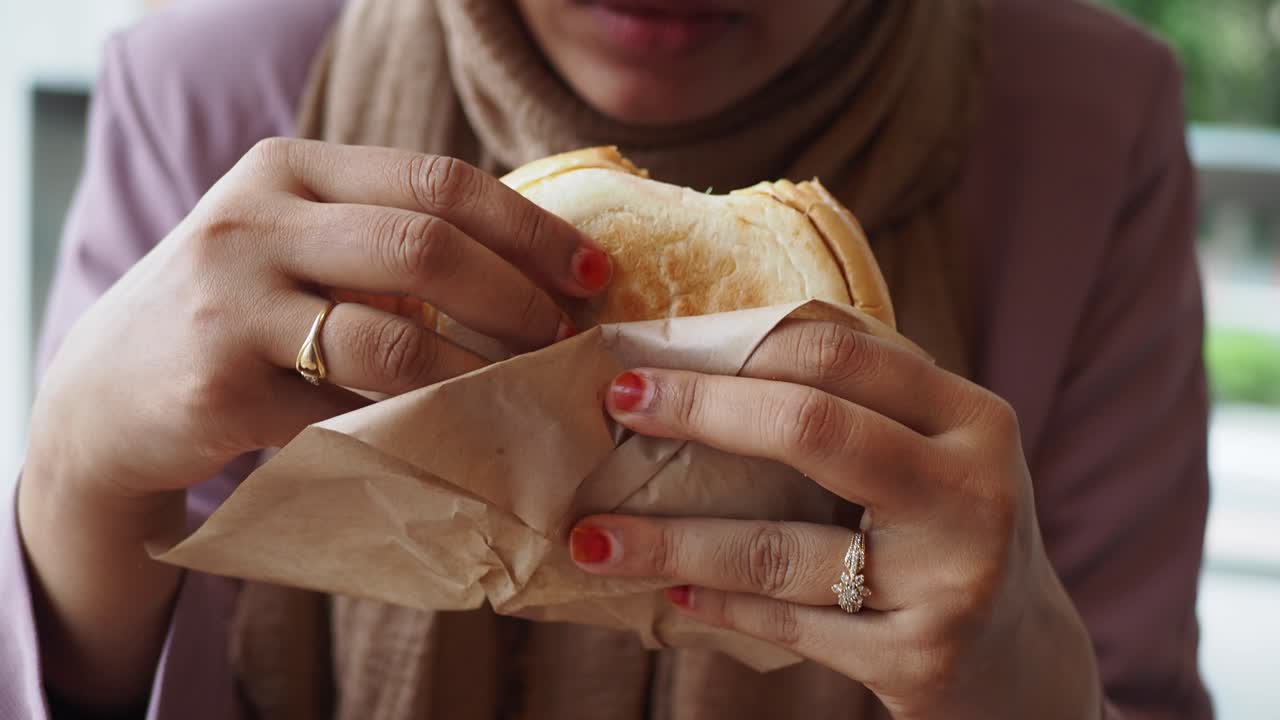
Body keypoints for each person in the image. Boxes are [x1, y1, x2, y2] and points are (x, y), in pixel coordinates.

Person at [2, 0, 1214, 718]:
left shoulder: (1085, 125)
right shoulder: (214, 85)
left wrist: (1025, 685)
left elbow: (1129, 684)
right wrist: (73, 480)